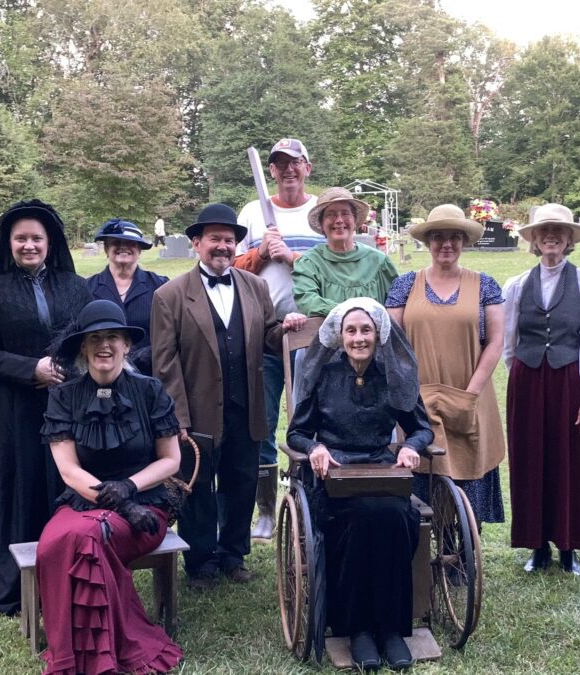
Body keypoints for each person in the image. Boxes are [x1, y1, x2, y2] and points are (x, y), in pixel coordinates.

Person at [150, 203, 304, 588]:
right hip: (197, 411)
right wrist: (178, 419)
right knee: (199, 488)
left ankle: (234, 555)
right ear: (197, 243)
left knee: (240, 483)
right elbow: (164, 364)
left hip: (246, 406)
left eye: (229, 240)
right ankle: (200, 561)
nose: (223, 246)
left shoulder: (255, 286)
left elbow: (269, 336)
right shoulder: (169, 296)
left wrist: (285, 329)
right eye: (215, 239)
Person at [36, 300, 183, 673]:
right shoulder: (64, 396)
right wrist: (113, 500)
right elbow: (68, 469)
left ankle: (101, 654)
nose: (105, 346)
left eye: (113, 337)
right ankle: (79, 652)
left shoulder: (150, 391)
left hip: (145, 509)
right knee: (56, 542)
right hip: (84, 501)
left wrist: (130, 490)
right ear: (83, 348)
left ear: (127, 345)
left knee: (89, 538)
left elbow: (171, 460)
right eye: (95, 339)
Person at [287, 298, 432, 671]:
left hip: (383, 473)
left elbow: (421, 429)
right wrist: (315, 447)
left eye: (366, 329)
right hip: (333, 477)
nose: (358, 338)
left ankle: (391, 629)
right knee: (362, 519)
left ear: (379, 333)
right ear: (339, 334)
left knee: (397, 517)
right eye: (351, 330)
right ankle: (358, 630)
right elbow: (297, 432)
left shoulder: (393, 372)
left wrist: (412, 448)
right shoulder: (323, 372)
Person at [0, 199, 92, 615]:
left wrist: (70, 370)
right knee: (14, 484)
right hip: (12, 408)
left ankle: (68, 573)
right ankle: (10, 583)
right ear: (9, 243)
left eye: (37, 238)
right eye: (21, 238)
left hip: (68, 403)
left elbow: (90, 339)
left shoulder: (76, 286)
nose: (29, 245)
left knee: (63, 480)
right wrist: (31, 368)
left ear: (50, 243)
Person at [386, 204, 506, 527]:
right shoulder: (405, 285)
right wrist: (407, 396)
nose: (446, 244)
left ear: (464, 241)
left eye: (454, 237)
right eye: (438, 237)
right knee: (423, 474)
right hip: (418, 401)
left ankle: (464, 558)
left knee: (468, 476)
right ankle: (427, 558)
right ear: (428, 242)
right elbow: (393, 344)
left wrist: (471, 393)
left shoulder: (485, 285)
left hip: (470, 397)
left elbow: (495, 342)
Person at [502, 204, 580, 575]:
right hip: (527, 381)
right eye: (544, 230)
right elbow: (509, 342)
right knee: (529, 460)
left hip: (568, 380)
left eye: (559, 231)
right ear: (534, 239)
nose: (551, 237)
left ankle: (568, 546)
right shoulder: (516, 285)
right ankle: (537, 544)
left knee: (569, 461)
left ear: (569, 238)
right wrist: (522, 373)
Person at [235, 137, 322, 541]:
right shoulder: (254, 212)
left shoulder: (321, 211)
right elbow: (233, 267)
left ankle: (314, 498)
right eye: (279, 164)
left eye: (295, 163)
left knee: (314, 420)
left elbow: (335, 264)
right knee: (263, 423)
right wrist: (262, 256)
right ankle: (267, 511)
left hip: (315, 334)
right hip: (263, 332)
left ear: (308, 167)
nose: (288, 170)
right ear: (270, 170)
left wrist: (291, 256)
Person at [292, 187, 399, 317]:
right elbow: (307, 301)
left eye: (345, 213)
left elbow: (396, 304)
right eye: (330, 214)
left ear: (355, 220)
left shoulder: (379, 261)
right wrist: (353, 313)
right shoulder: (309, 263)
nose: (339, 220)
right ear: (321, 223)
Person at [85, 218, 168, 377]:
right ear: (107, 249)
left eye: (130, 243)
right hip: (100, 377)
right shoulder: (87, 288)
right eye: (116, 242)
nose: (123, 247)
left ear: (139, 249)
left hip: (148, 376)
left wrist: (147, 354)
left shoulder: (160, 286)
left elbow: (170, 334)